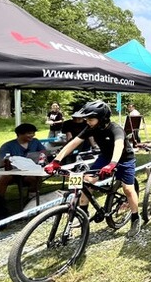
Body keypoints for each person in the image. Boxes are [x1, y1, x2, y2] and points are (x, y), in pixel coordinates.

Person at [44, 100, 142, 238]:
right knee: (87, 182)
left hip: (124, 159)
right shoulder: (91, 127)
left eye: (90, 119)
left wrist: (113, 163)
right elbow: (73, 143)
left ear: (102, 119)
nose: (87, 121)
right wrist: (56, 161)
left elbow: (119, 145)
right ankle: (83, 214)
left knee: (128, 189)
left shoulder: (115, 129)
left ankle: (135, 218)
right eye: (86, 119)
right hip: (105, 158)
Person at [0, 123, 47, 220]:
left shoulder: (35, 142)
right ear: (19, 134)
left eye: (33, 133)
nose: (32, 135)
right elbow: (4, 161)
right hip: (13, 172)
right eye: (29, 133)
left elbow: (43, 152)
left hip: (30, 171)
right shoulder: (7, 146)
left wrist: (41, 156)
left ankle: (31, 200)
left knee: (35, 178)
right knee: (3, 178)